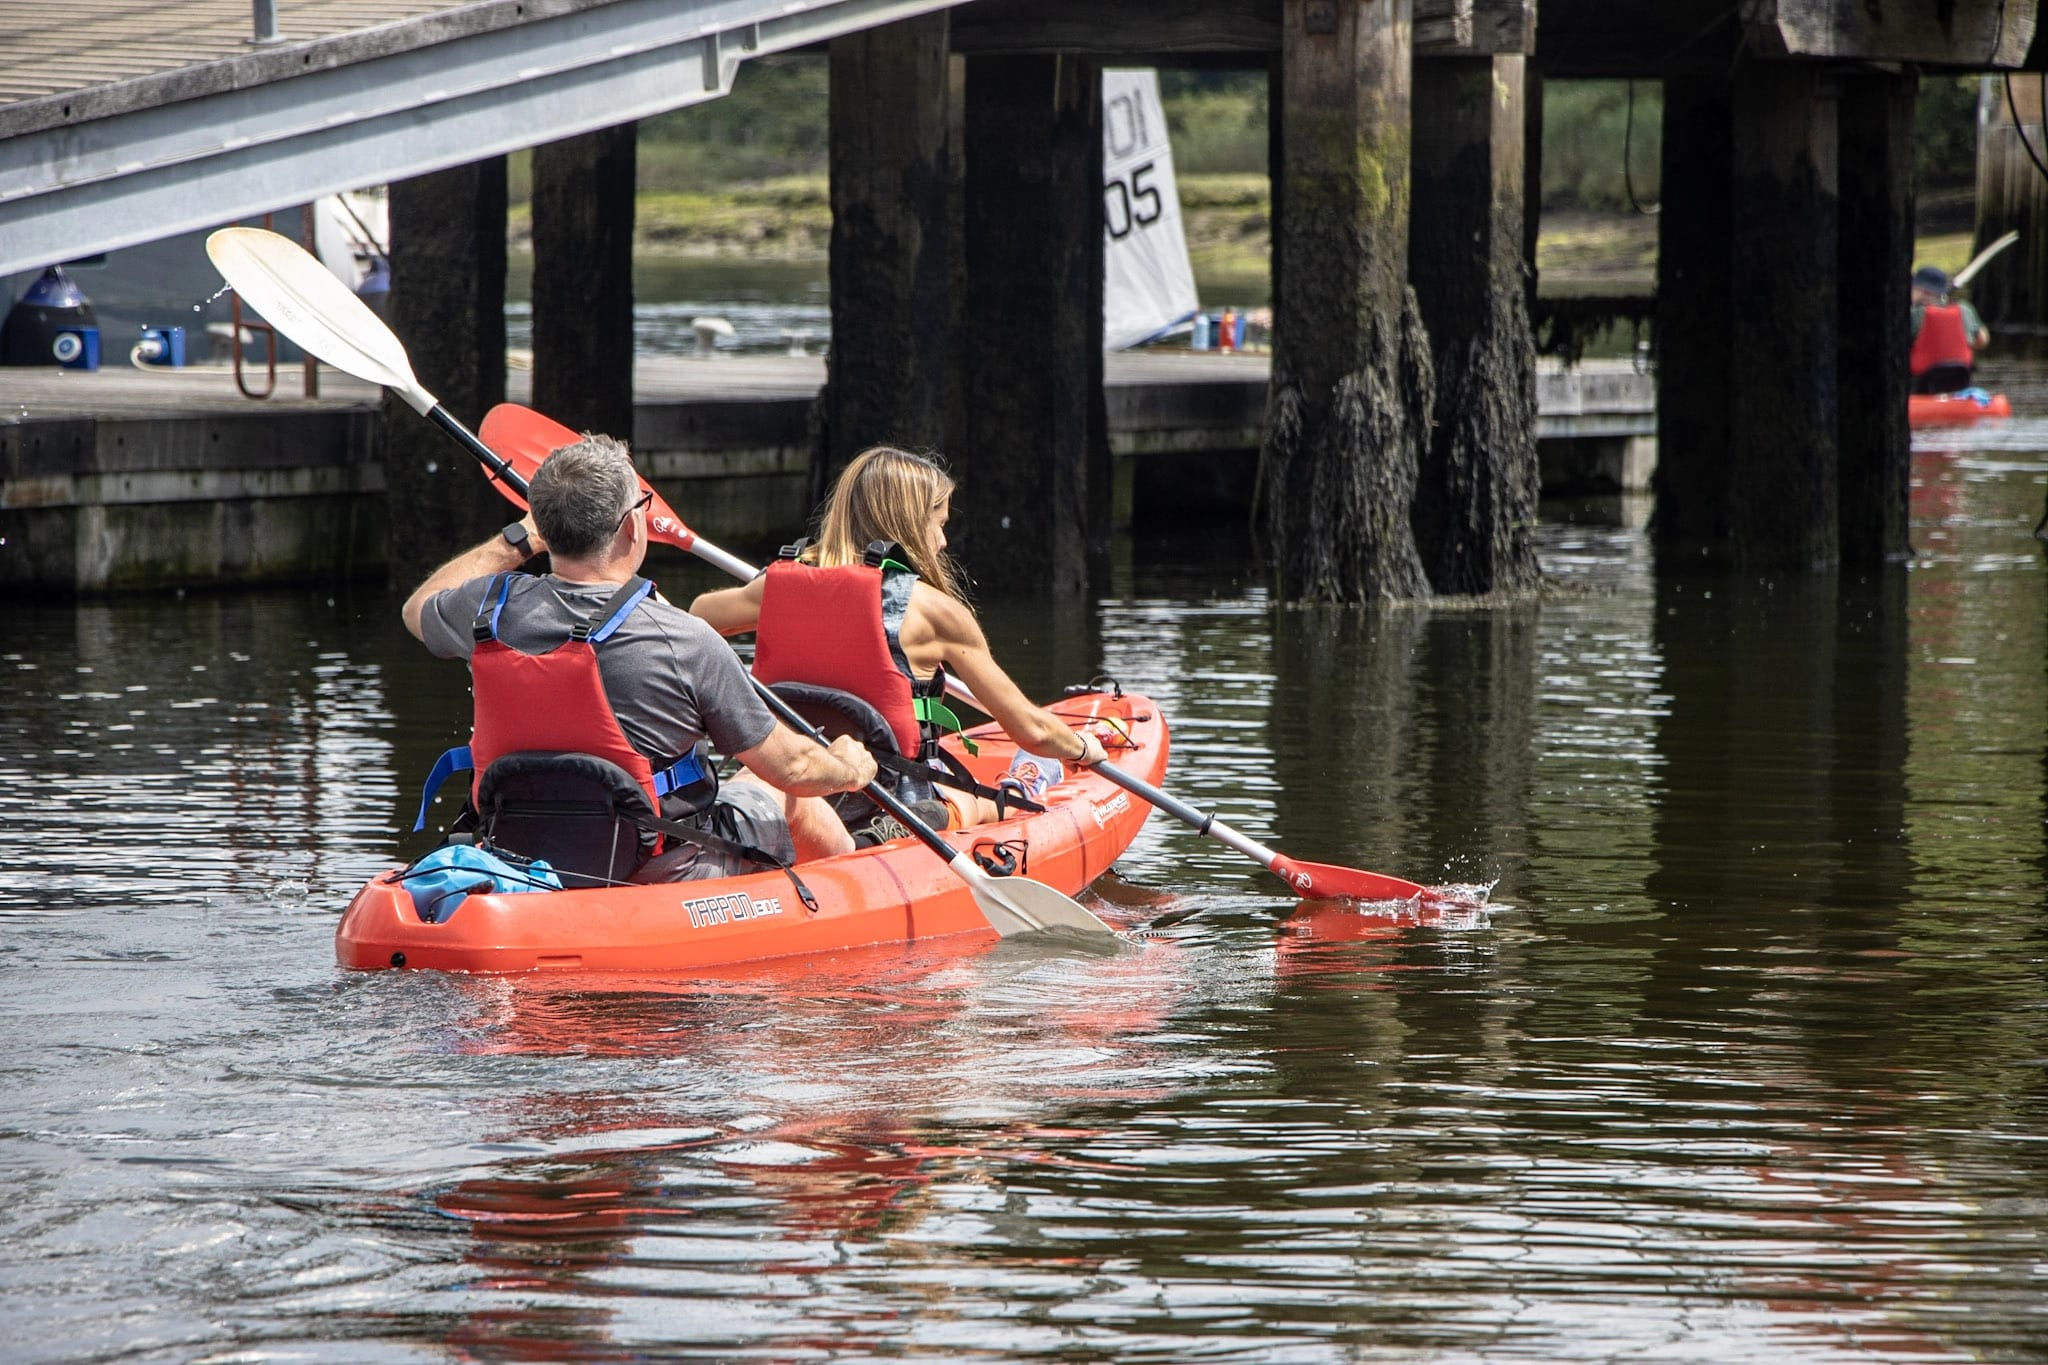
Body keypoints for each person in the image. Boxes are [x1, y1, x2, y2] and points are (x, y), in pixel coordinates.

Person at [402, 434, 877, 881]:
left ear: (545, 526)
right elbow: (791, 767)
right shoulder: (684, 639)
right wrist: (847, 767)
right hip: (662, 865)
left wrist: (521, 537)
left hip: (522, 848)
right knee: (786, 793)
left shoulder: (488, 610)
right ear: (632, 525)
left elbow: (417, 608)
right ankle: (846, 907)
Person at [689, 445, 1109, 833]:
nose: (943, 541)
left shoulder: (774, 589)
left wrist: (780, 591)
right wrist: (1081, 748)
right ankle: (1024, 784)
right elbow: (1032, 730)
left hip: (797, 785)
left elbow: (700, 616)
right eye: (938, 524)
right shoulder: (934, 612)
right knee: (994, 801)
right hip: (897, 806)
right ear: (908, 524)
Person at [1910, 264, 1990, 395]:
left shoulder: (1913, 314)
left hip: (1921, 387)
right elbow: (1983, 341)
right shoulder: (1965, 309)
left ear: (1919, 290)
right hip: (1959, 382)